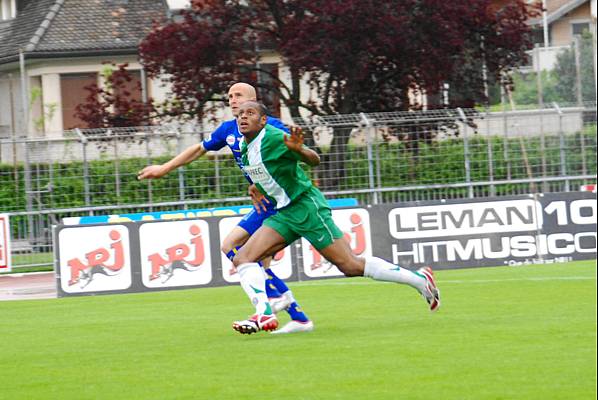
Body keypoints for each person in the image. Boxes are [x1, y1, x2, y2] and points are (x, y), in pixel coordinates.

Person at [230, 101, 441, 334]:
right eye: (240, 114)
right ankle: (264, 313)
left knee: (349, 265)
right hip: (284, 213)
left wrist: (299, 150)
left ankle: (419, 279)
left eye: (250, 113)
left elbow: (314, 160)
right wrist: (255, 187)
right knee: (243, 258)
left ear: (262, 121)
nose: (243, 117)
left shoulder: (273, 137)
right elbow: (262, 173)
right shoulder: (243, 147)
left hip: (307, 208)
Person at [137, 83, 313, 334]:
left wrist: (264, 182)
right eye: (230, 96)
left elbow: (291, 155)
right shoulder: (228, 130)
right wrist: (164, 168)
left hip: (282, 201)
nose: (232, 100)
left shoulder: (271, 125)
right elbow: (198, 149)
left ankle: (273, 301)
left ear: (253, 100)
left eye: (238, 95)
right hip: (264, 202)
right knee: (255, 259)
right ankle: (297, 316)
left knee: (234, 247)